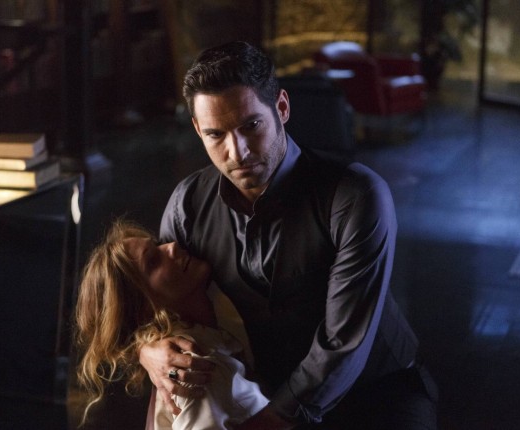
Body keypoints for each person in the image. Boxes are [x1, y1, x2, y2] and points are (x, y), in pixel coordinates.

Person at [138, 41, 438, 429]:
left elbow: (343, 344)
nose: (237, 153)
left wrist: (270, 421)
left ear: (281, 108)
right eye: (215, 135)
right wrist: (147, 350)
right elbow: (154, 299)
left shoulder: (355, 196)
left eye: (251, 126)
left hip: (375, 393)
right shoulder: (188, 204)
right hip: (262, 390)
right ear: (197, 129)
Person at [74, 219, 269, 430]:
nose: (173, 246)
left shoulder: (212, 322)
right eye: (153, 261)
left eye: (158, 244)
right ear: (143, 310)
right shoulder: (191, 369)